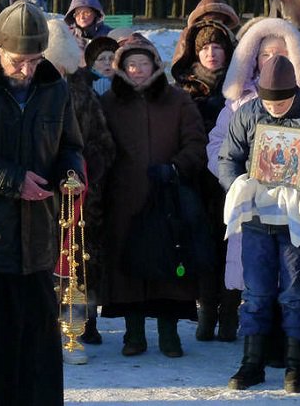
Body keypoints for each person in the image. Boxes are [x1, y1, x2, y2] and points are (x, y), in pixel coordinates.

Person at [0, 0, 85, 403]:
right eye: (19, 61)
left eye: (34, 60)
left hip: (38, 240)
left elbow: (71, 145)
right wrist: (13, 180)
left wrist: (71, 173)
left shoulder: (55, 88)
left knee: (37, 351)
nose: (27, 70)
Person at [219, 55, 300, 393]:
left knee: (296, 293)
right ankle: (252, 362)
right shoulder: (248, 114)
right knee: (256, 293)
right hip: (256, 218)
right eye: (269, 101)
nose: (275, 107)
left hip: (298, 219)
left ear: (295, 92)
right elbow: (228, 157)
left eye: (281, 101)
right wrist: (237, 185)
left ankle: (297, 367)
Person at [98, 33, 207, 359]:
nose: (137, 71)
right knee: (128, 268)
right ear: (121, 68)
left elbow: (196, 143)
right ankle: (133, 335)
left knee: (169, 267)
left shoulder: (178, 101)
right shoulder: (109, 104)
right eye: (130, 65)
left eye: (143, 64)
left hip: (167, 199)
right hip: (124, 201)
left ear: (155, 66)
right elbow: (98, 146)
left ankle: (169, 334)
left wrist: (175, 168)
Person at [44, 18, 116, 349]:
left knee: (81, 259)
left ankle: (84, 321)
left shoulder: (81, 94)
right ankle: (48, 322)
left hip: (81, 194)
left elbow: (102, 143)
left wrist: (87, 178)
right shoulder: (32, 93)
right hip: (42, 193)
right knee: (47, 260)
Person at [171, 19, 242, 342]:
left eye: (217, 47)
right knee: (203, 247)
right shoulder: (184, 89)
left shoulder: (241, 87)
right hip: (197, 180)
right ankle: (206, 312)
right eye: (204, 48)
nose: (211, 54)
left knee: (232, 247)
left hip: (233, 180)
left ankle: (229, 313)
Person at [171, 0, 240, 68]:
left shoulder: (235, 36)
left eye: (217, 22)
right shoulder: (189, 36)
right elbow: (179, 64)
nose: (211, 53)